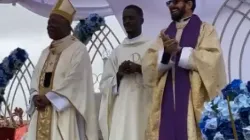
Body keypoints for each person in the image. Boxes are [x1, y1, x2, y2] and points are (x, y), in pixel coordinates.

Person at [142, 0, 227, 140]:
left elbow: (212, 60)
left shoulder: (205, 30)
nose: (171, 6)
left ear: (188, 4)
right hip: (166, 97)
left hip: (191, 100)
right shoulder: (164, 34)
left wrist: (180, 51)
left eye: (175, 2)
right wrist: (166, 53)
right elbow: (149, 64)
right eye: (168, 3)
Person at [23, 0, 99, 139]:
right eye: (48, 23)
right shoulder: (45, 52)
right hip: (41, 110)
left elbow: (76, 81)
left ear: (67, 25)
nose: (49, 26)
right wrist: (35, 96)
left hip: (63, 113)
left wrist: (50, 98)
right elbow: (35, 78)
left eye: (54, 23)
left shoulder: (78, 49)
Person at [99, 5, 152, 140]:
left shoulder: (152, 47)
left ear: (142, 20)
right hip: (122, 108)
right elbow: (104, 84)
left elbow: (162, 76)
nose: (127, 21)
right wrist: (119, 75)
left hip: (144, 105)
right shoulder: (117, 51)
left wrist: (140, 69)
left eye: (131, 18)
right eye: (124, 19)